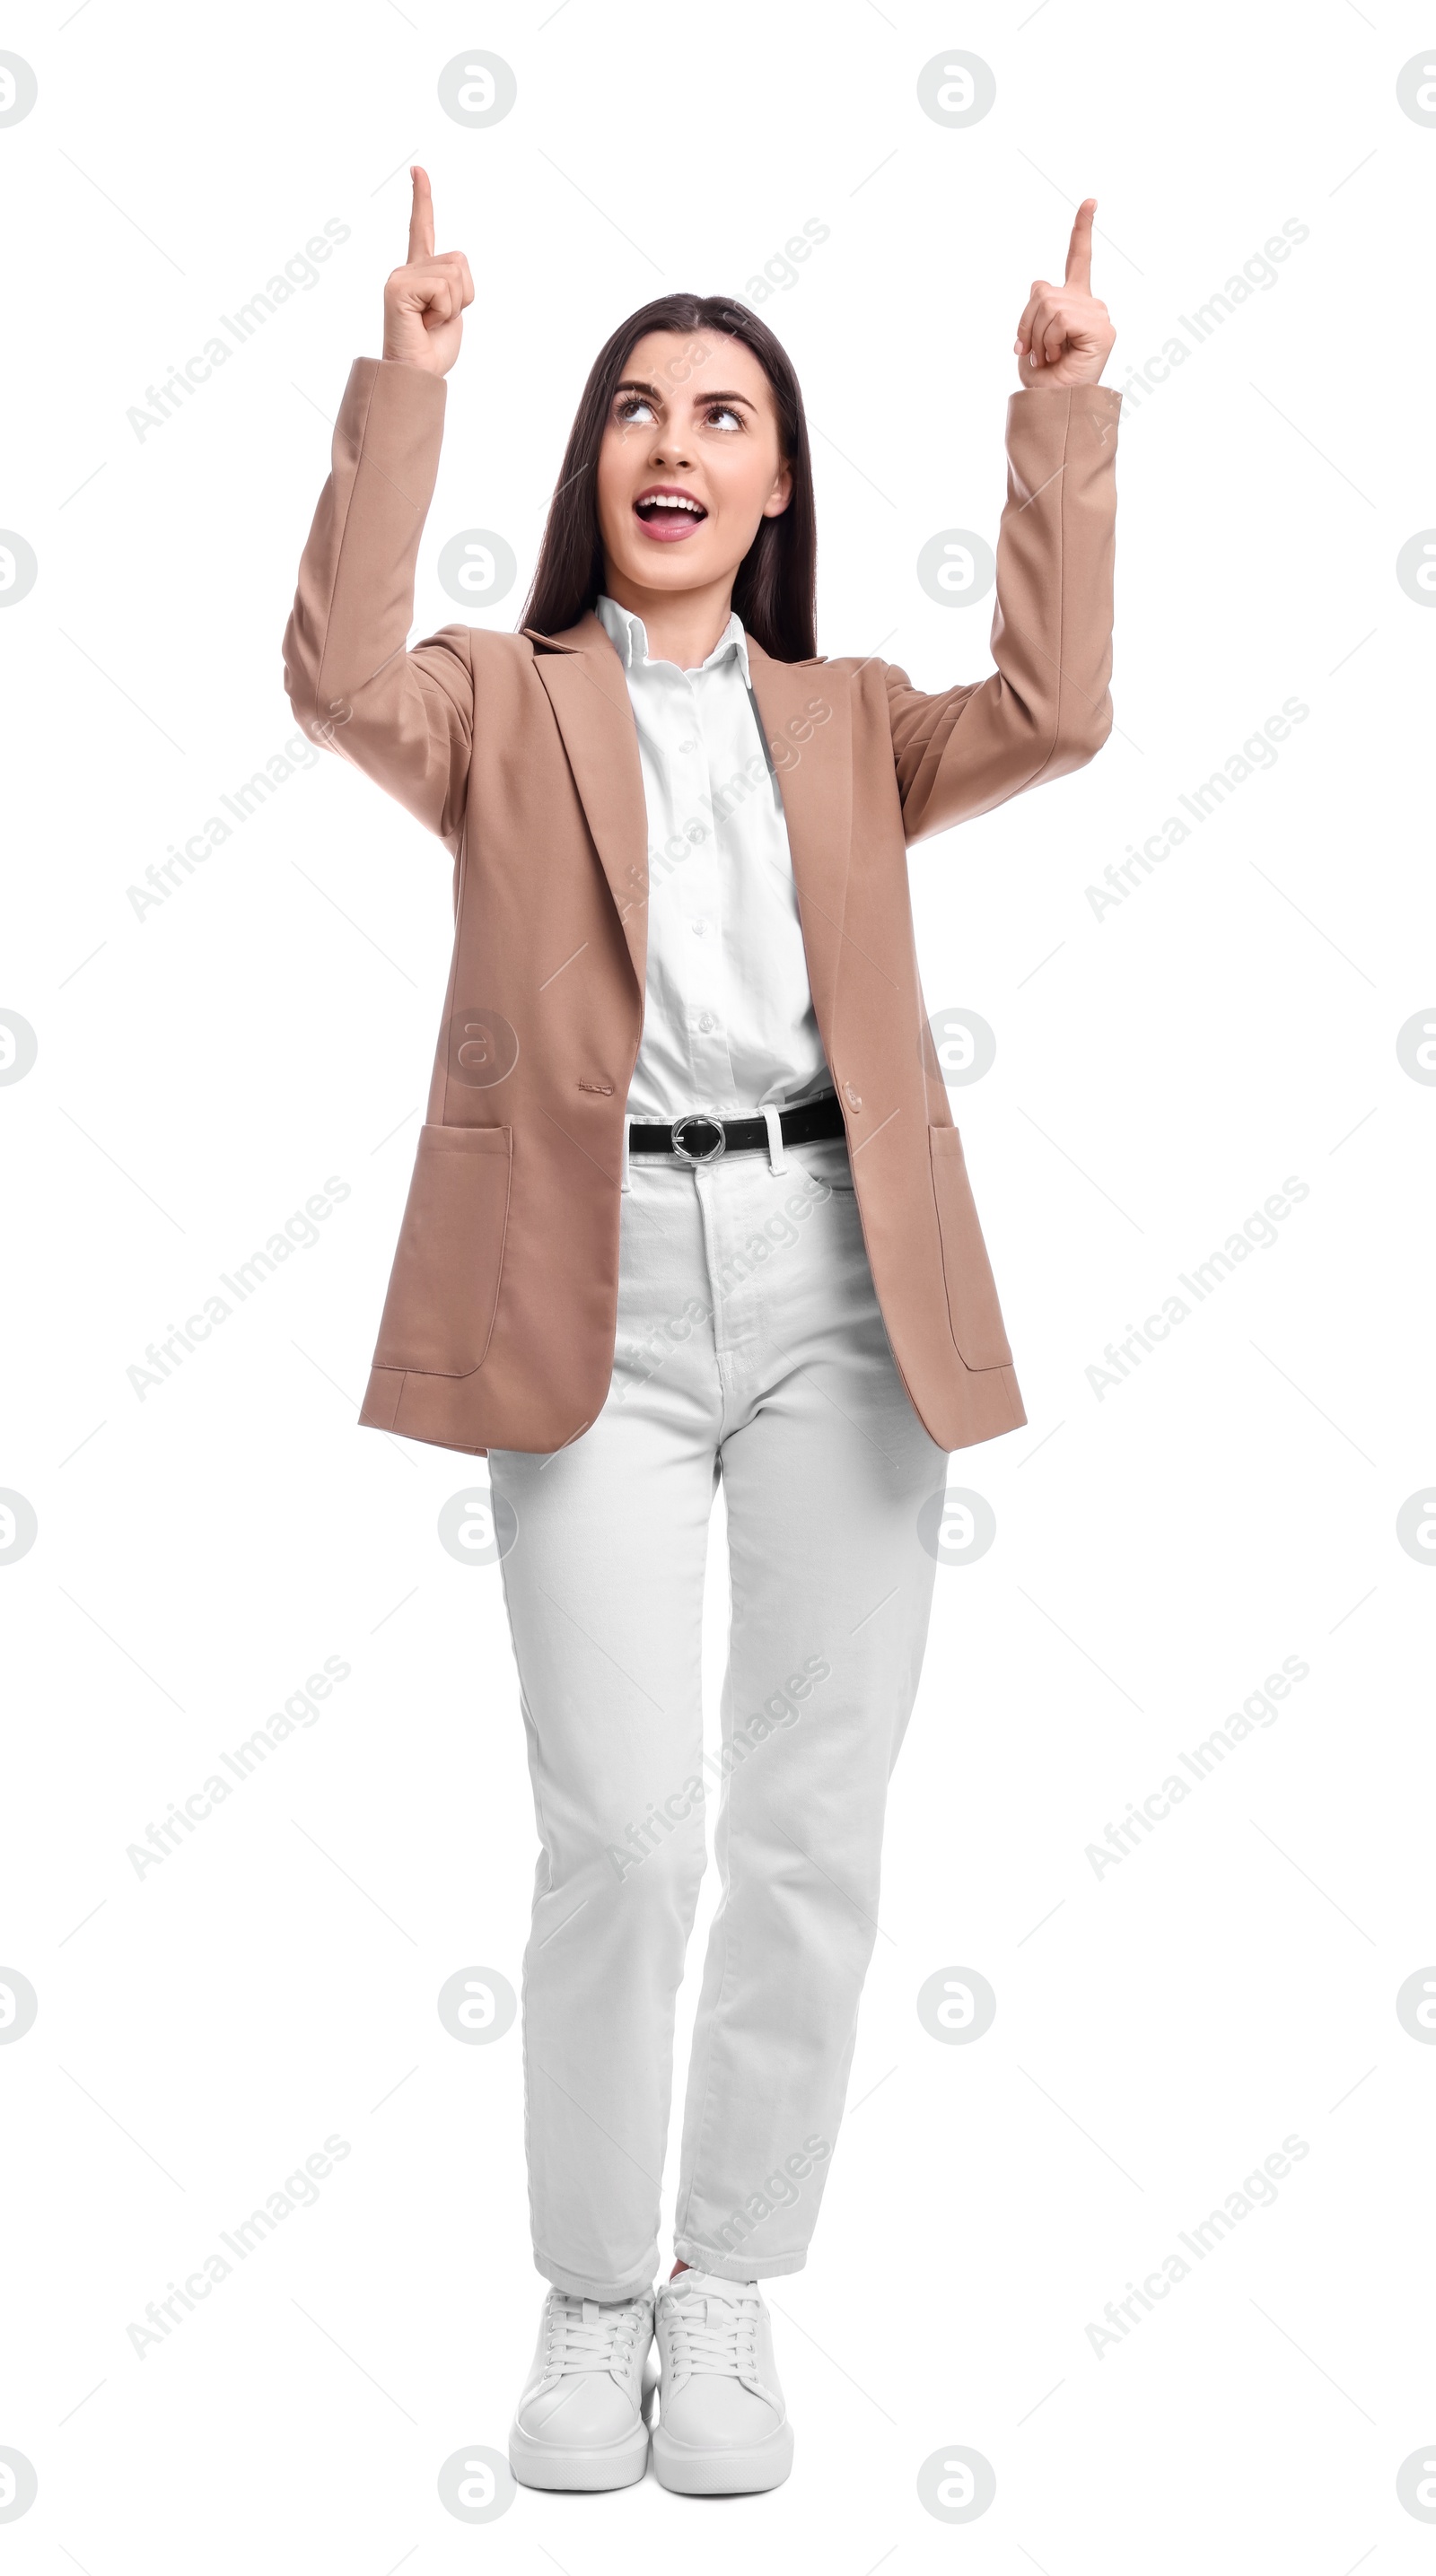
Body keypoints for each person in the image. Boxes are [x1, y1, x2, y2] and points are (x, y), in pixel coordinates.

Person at [283, 166, 1117, 2498]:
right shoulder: (494, 705)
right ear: (599, 469)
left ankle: (729, 2290)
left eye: (725, 412)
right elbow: (334, 678)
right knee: (626, 1836)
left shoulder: (850, 721)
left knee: (812, 1826)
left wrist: (1058, 421)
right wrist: (411, 383)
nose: (677, 439)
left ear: (774, 482)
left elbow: (1060, 708)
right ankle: (587, 2296)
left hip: (850, 1299)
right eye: (640, 407)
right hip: (597, 1304)